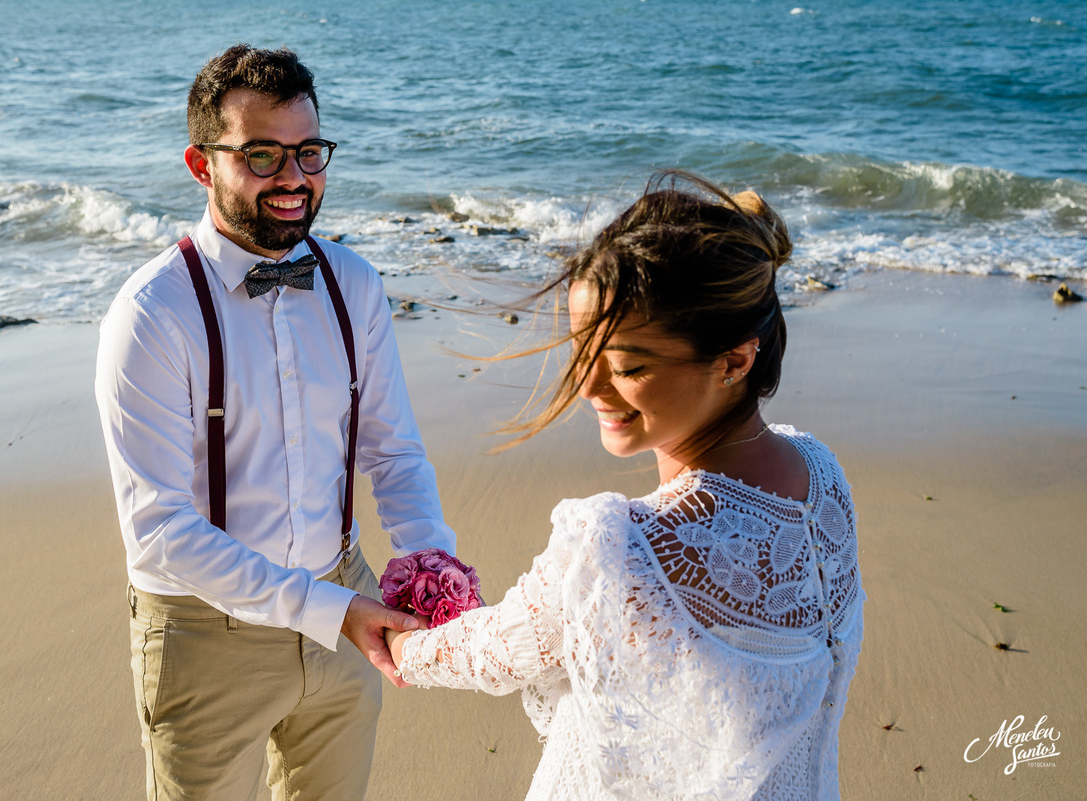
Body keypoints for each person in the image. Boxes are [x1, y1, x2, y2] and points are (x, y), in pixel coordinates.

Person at [387, 172, 864, 800]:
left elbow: (492, 652)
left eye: (629, 367)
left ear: (735, 360)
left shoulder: (621, 546)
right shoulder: (822, 477)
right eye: (583, 352)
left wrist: (391, 639)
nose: (589, 387)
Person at [94, 44, 454, 801]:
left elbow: (392, 451)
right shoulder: (152, 313)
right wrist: (337, 611)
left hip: (344, 597)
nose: (294, 178)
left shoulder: (353, 282)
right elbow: (160, 529)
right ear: (203, 165)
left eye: (308, 152)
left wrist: (433, 567)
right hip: (203, 632)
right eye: (262, 155)